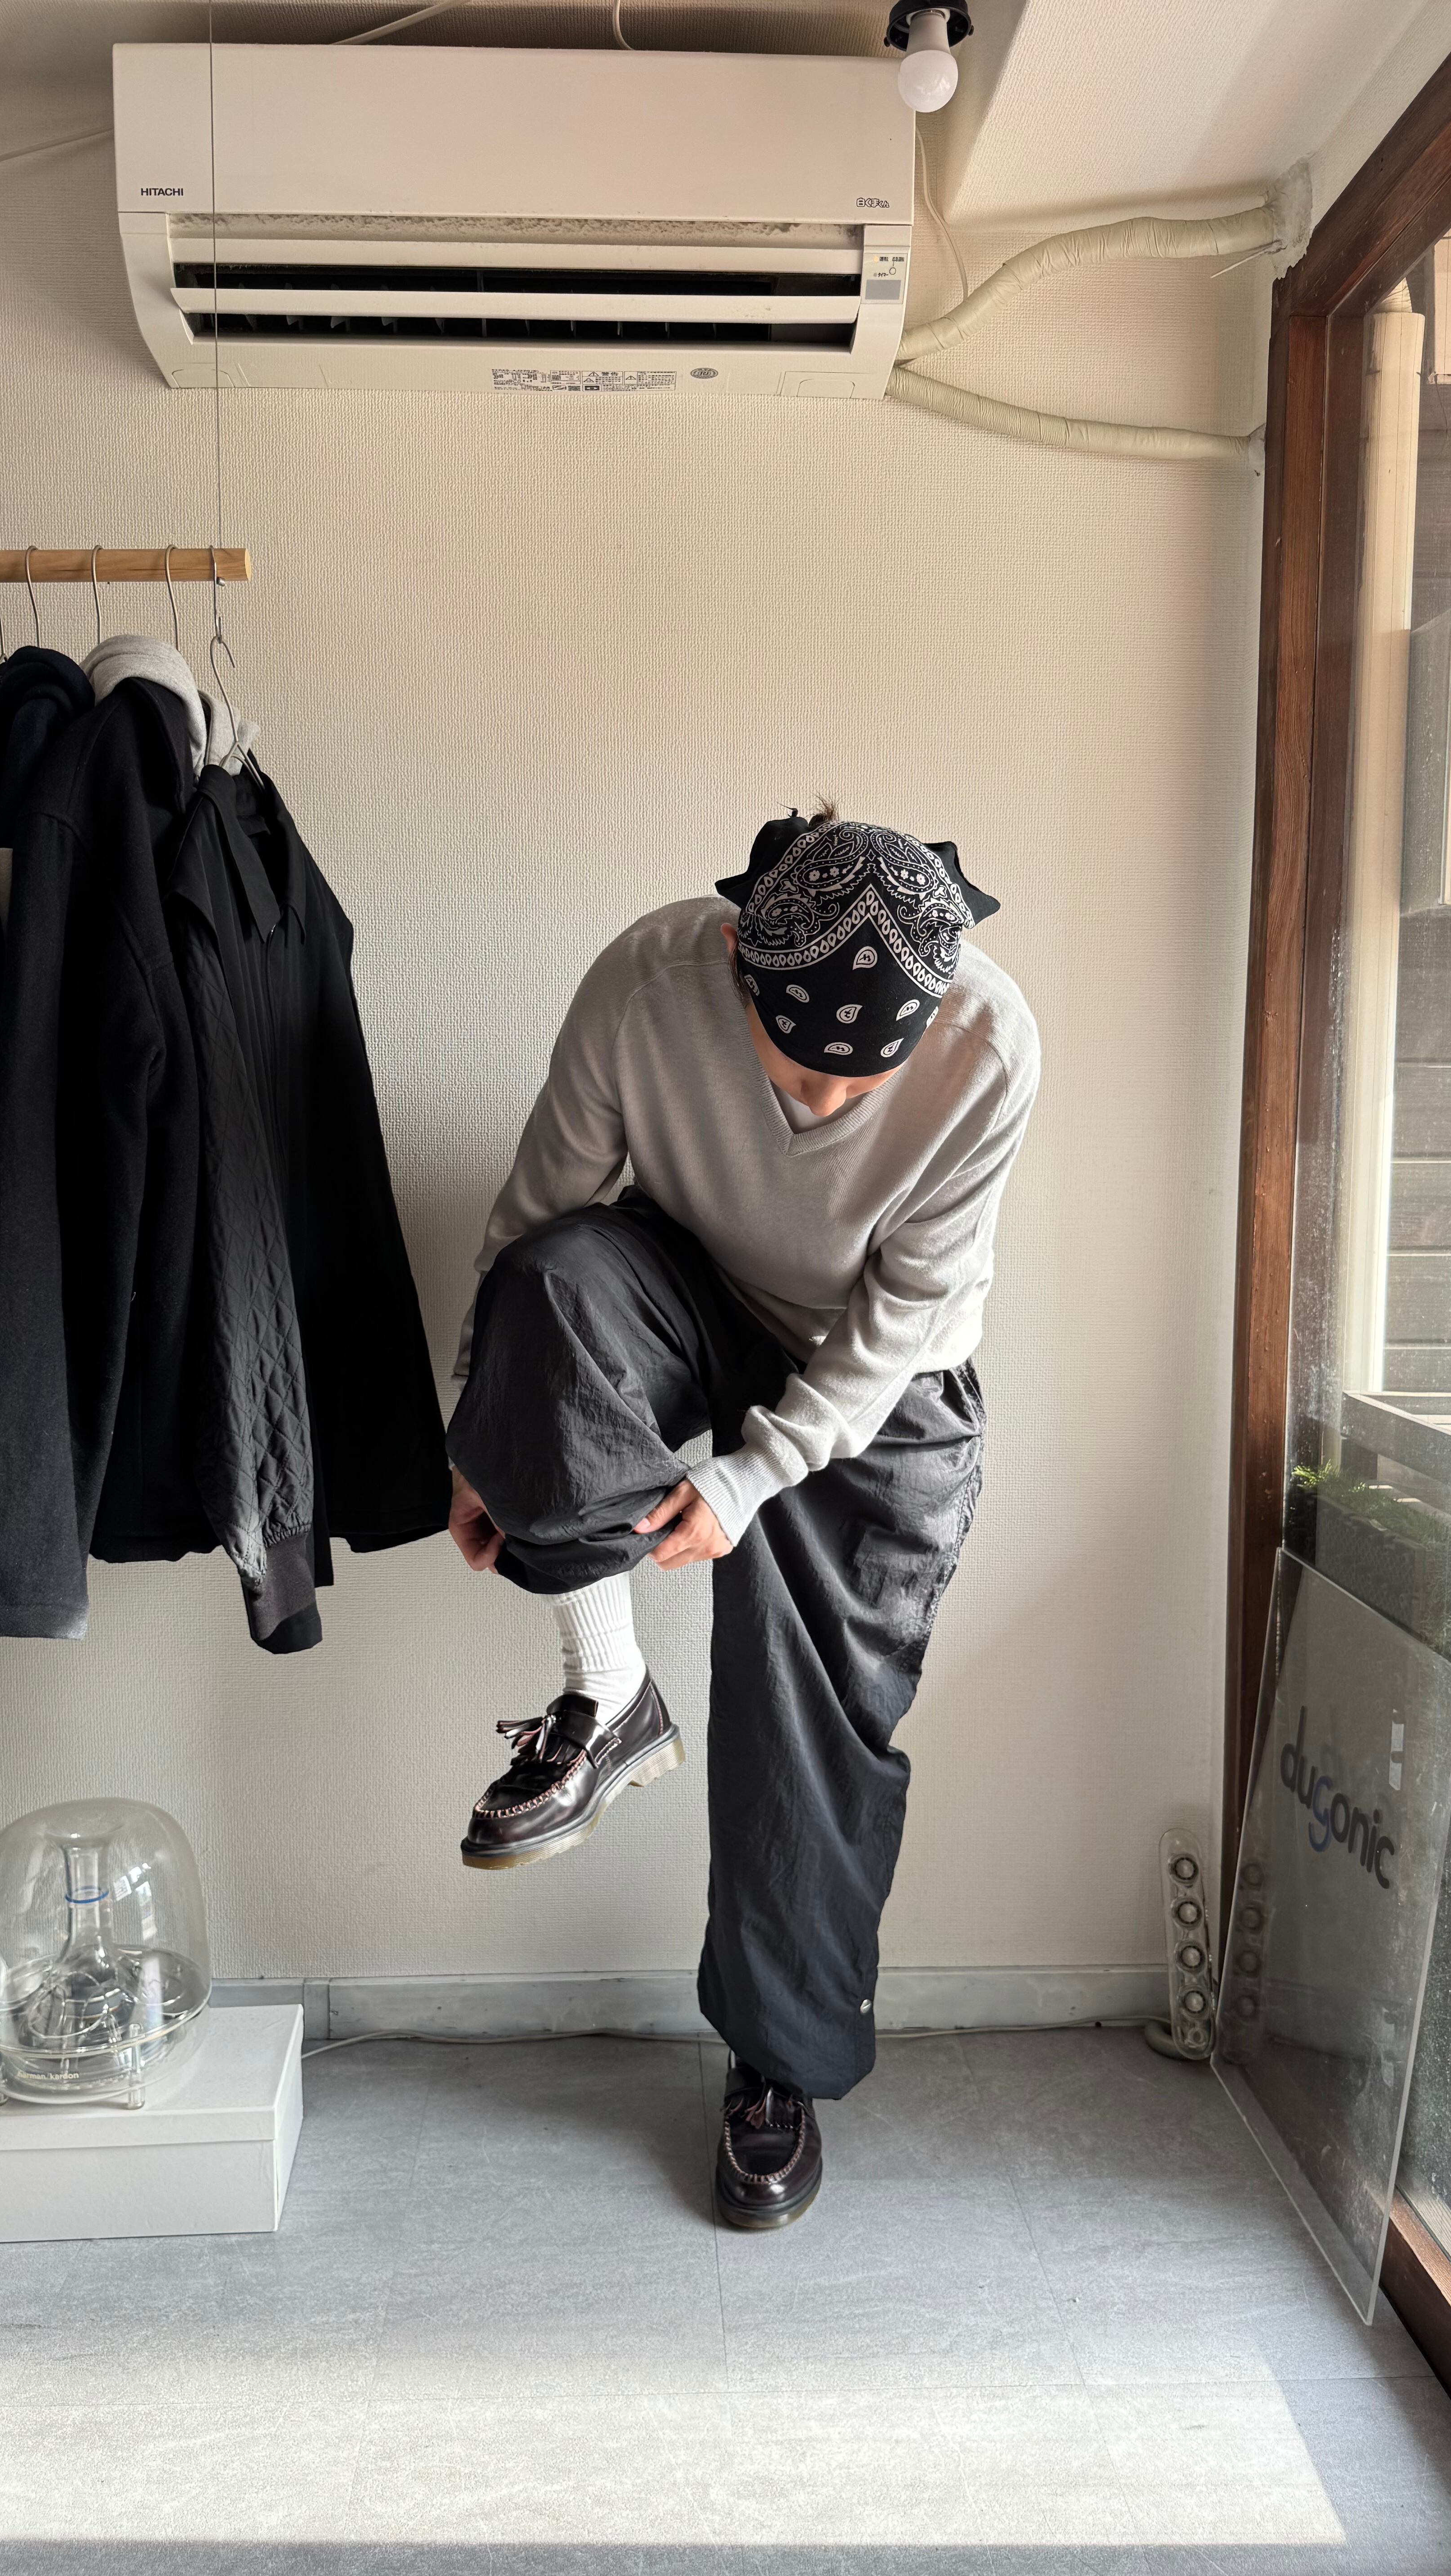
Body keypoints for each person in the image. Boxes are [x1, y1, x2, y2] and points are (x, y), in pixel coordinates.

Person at [446, 806, 1039, 2229]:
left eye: (860, 1078)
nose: (827, 1107)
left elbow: (897, 1320)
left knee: (806, 1727)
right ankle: (608, 1692)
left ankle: (775, 2064)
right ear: (736, 967)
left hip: (879, 1371)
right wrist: (484, 1430)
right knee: (547, 1290)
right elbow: (538, 1215)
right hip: (690, 1287)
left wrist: (745, 1479)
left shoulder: (987, 1043)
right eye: (801, 1065)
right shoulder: (649, 982)